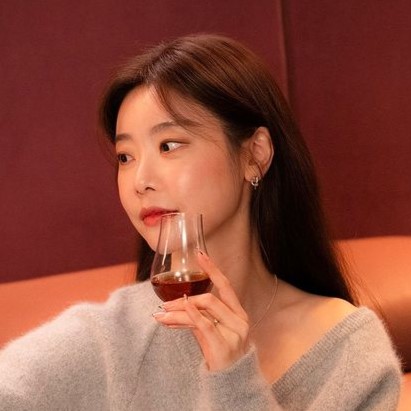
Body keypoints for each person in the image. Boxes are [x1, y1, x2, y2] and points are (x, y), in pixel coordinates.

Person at [0, 34, 401, 410]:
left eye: (169, 145)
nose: (140, 181)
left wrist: (233, 378)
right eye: (125, 157)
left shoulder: (349, 354)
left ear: (255, 155)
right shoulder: (110, 336)